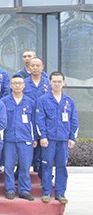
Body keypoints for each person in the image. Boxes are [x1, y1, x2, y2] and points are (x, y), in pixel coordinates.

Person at [35, 72, 79, 204]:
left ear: (64, 82)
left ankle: (60, 193)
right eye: (54, 81)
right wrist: (42, 136)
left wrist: (72, 137)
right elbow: (39, 120)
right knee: (46, 165)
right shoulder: (42, 100)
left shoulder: (69, 101)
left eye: (59, 81)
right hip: (48, 140)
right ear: (49, 82)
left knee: (62, 166)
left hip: (63, 140)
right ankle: (47, 192)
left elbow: (74, 120)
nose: (57, 84)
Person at [2, 75, 37, 201]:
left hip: (25, 138)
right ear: (10, 85)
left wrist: (34, 138)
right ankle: (10, 189)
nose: (17, 85)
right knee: (8, 166)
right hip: (9, 139)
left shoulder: (30, 102)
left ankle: (24, 190)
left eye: (20, 83)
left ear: (24, 85)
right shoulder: (4, 102)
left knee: (25, 166)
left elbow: (34, 122)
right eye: (14, 83)